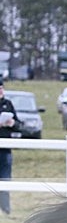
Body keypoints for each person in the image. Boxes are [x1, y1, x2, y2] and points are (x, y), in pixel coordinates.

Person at [0, 79, 21, 214]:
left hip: (5, 150)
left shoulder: (8, 104)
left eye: (1, 88)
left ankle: (5, 207)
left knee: (5, 178)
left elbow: (19, 125)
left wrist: (12, 123)